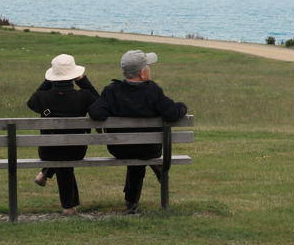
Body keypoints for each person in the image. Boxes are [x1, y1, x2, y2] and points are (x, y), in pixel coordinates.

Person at [88, 50, 188, 214]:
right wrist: (183, 106)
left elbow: (96, 113)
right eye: (148, 66)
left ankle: (132, 201)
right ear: (142, 73)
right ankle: (137, 195)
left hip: (119, 149)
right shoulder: (152, 91)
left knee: (134, 148)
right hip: (149, 149)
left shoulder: (112, 90)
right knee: (141, 150)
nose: (149, 69)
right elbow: (173, 113)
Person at [27, 54, 99, 215]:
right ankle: (68, 206)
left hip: (48, 151)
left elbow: (31, 102)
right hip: (77, 150)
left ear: (52, 78)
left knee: (59, 153)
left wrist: (48, 81)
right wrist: (83, 81)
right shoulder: (84, 96)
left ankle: (46, 172)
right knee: (65, 157)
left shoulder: (41, 97)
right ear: (74, 76)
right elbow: (99, 101)